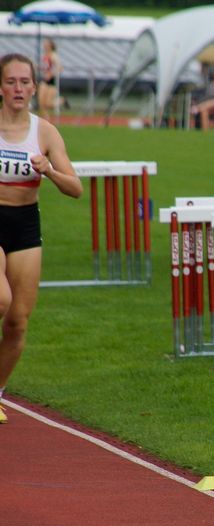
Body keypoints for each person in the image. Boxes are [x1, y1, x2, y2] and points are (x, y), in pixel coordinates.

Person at [0, 54, 83, 423]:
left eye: (24, 82)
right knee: (0, 299)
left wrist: (49, 170)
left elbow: (76, 188)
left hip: (24, 224)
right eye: (10, 81)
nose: (18, 88)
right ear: (0, 87)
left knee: (17, 320)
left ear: (35, 86)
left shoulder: (45, 132)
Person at [38, 39, 61, 123]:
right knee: (41, 103)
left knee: (48, 103)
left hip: (52, 81)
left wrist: (51, 74)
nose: (44, 45)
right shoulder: (45, 55)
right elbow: (45, 67)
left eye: (46, 44)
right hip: (44, 81)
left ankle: (62, 101)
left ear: (50, 45)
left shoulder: (53, 56)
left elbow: (59, 68)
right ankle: (46, 122)